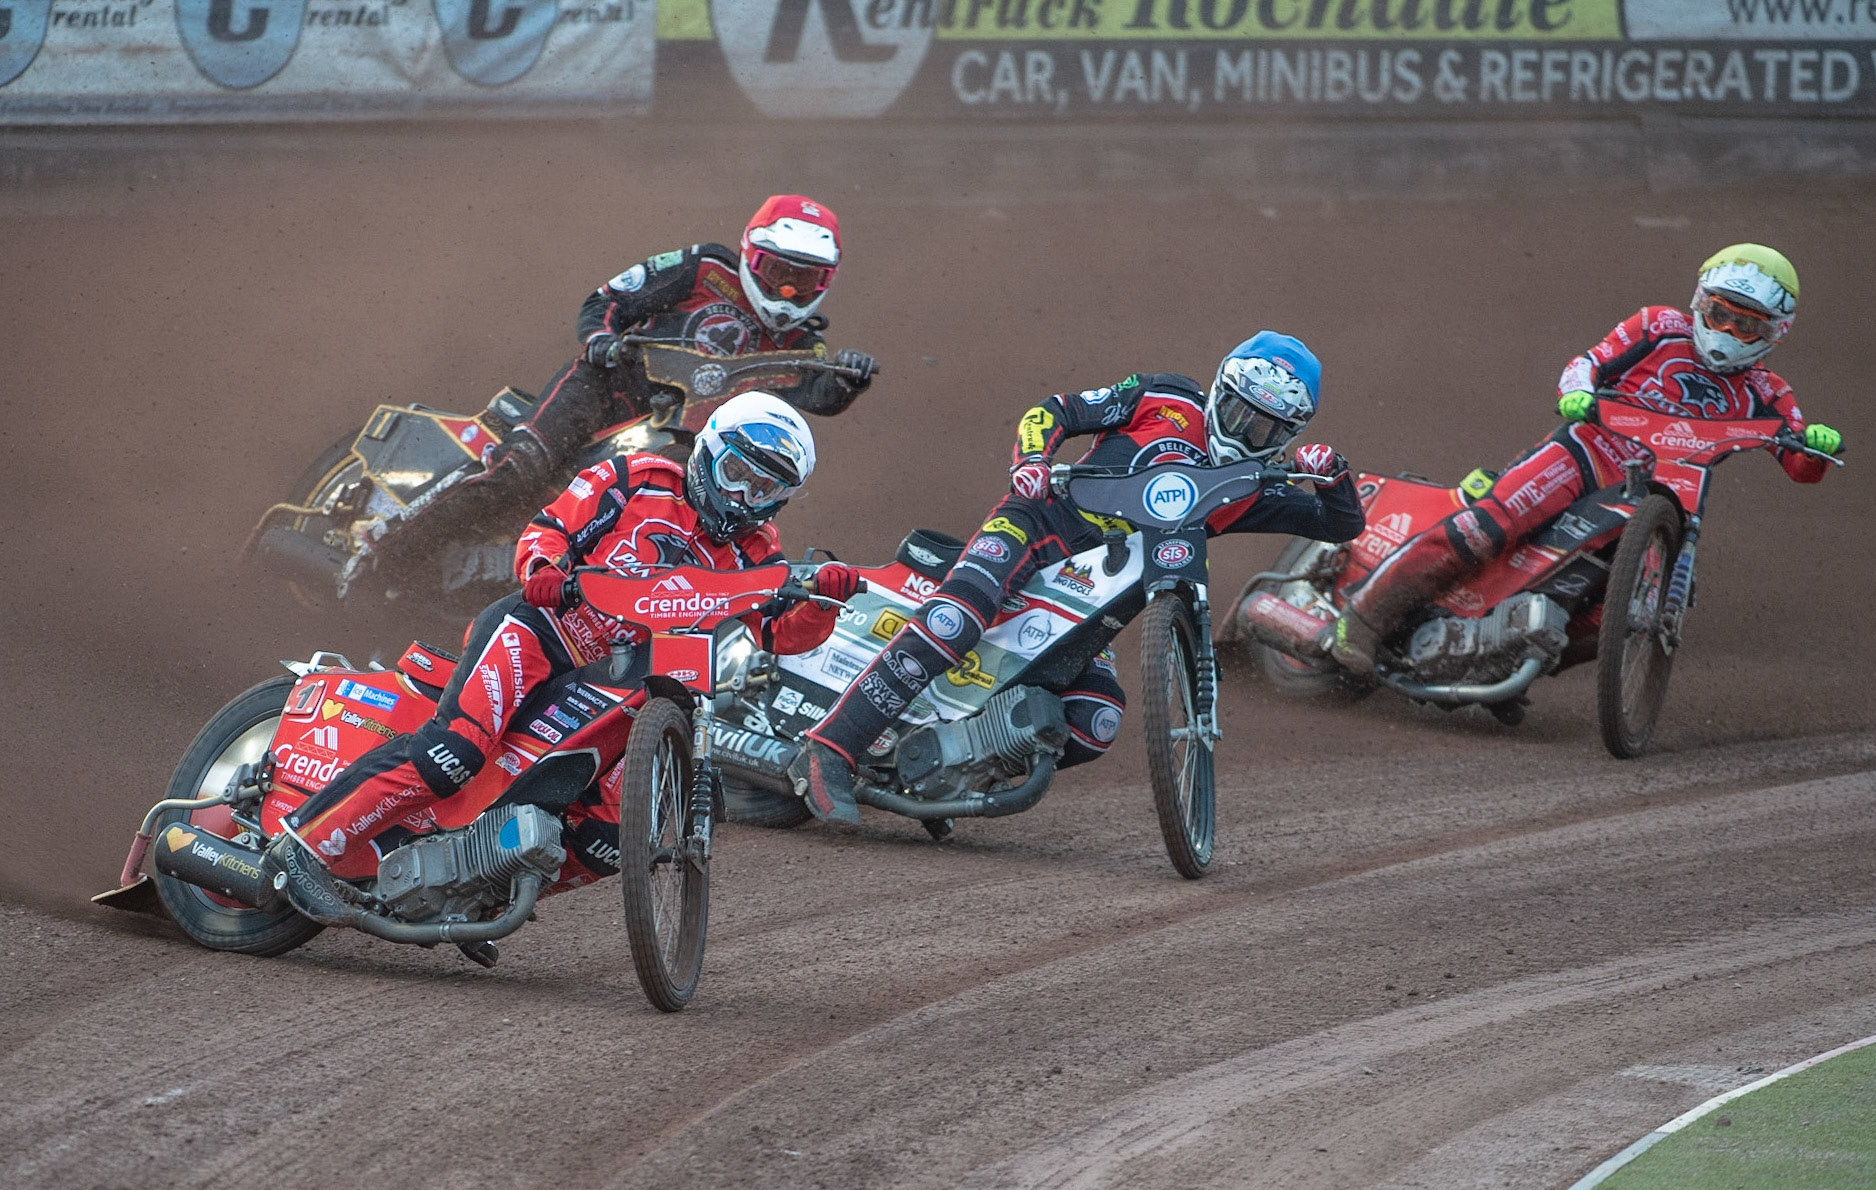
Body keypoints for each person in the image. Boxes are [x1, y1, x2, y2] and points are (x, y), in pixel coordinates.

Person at [283, 393, 862, 885]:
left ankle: (479, 886)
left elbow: (778, 633)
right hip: (540, 635)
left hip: (620, 684)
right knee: (451, 756)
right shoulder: (634, 477)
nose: (742, 499)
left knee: (614, 832)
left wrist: (822, 603)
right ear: (709, 450)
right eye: (738, 474)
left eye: (763, 490)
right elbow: (549, 529)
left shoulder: (757, 551)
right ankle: (301, 852)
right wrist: (545, 572)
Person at [787, 332, 1365, 826]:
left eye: (1265, 427)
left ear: (1289, 433)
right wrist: (1031, 461)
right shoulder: (1161, 395)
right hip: (1035, 524)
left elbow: (1342, 524)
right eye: (1239, 410)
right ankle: (830, 748)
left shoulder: (1256, 485)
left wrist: (1333, 477)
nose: (1245, 430)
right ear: (1219, 388)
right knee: (956, 619)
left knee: (1096, 721)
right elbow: (1055, 410)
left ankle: (948, 767)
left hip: (1095, 594)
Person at [1327, 243, 1844, 675]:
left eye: (1746, 324)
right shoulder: (1657, 327)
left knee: (1632, 612)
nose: (1728, 332)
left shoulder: (1768, 392)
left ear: (1776, 331)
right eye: (1720, 314)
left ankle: (1499, 664)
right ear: (1699, 303)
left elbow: (1799, 464)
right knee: (1486, 529)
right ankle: (1364, 620)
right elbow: (1588, 363)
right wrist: (1576, 392)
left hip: (1662, 499)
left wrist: (1815, 446)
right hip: (1586, 455)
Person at [481, 194, 877, 497]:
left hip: (678, 442)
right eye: (777, 273)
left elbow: (815, 394)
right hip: (608, 388)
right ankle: (417, 542)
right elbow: (609, 300)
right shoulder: (704, 267)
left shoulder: (802, 344)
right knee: (518, 468)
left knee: (678, 508)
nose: (788, 290)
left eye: (804, 281)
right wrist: (601, 340)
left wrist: (849, 380)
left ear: (826, 282)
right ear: (752, 257)